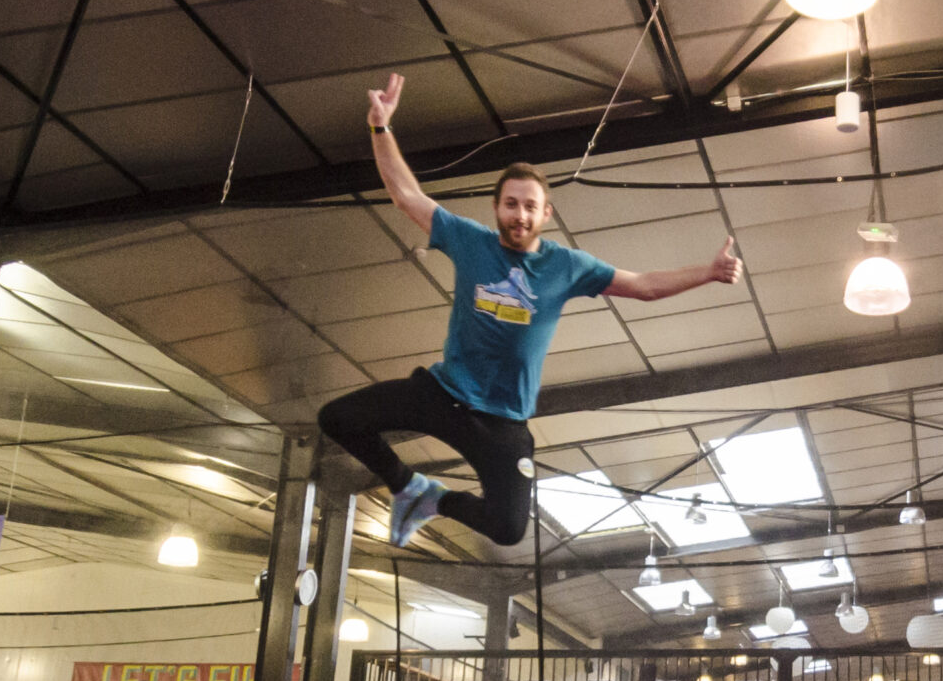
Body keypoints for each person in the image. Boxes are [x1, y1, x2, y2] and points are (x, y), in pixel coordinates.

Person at [317, 71, 742, 548]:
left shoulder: (567, 266)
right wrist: (381, 126)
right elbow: (405, 194)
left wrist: (706, 272)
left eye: (529, 206)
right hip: (442, 393)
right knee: (336, 417)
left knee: (508, 528)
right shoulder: (469, 240)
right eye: (510, 204)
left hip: (502, 422)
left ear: (546, 214)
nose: (519, 215)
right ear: (496, 208)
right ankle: (407, 486)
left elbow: (642, 286)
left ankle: (435, 500)